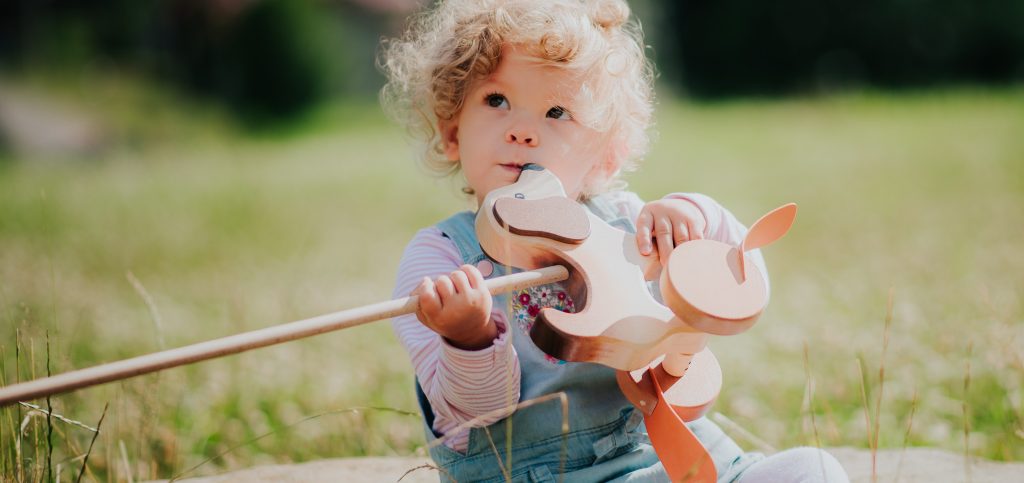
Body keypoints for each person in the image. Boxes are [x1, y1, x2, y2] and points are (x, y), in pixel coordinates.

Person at [380, 0, 849, 481]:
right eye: (496, 100)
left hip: (662, 454)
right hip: (537, 472)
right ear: (453, 131)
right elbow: (474, 416)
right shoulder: (440, 259)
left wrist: (695, 218)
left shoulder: (629, 223)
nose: (521, 130)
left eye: (557, 111)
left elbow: (740, 285)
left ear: (606, 155)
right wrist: (469, 338)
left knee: (814, 469)